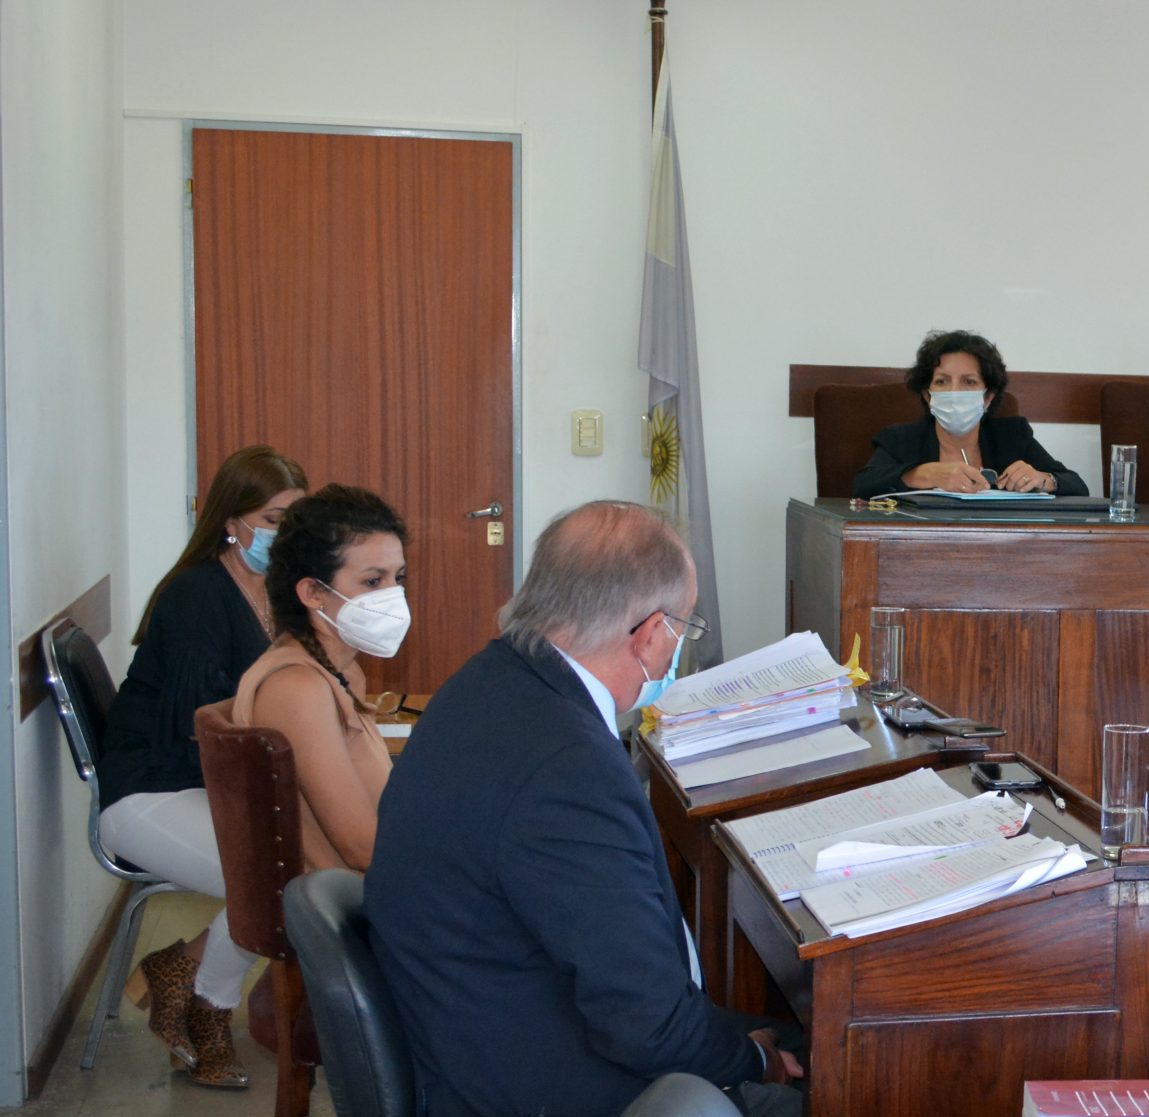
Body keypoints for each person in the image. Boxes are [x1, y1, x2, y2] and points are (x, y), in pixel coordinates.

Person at [368, 501, 804, 1117]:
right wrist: (754, 1062)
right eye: (683, 629)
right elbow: (649, 1028)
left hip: (480, 1024)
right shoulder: (567, 769)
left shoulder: (485, 682)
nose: (676, 647)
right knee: (828, 1074)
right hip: (532, 1080)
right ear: (650, 634)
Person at [95, 445, 304, 1089]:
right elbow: (201, 727)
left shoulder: (275, 591)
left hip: (206, 785)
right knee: (279, 883)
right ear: (231, 522)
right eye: (273, 520)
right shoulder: (196, 595)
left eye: (295, 520)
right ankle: (207, 1005)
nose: (285, 535)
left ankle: (180, 972)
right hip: (148, 792)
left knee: (298, 870)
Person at [190, 485, 408, 1084]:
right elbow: (360, 847)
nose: (392, 596)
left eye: (398, 578)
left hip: (364, 893)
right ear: (312, 593)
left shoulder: (335, 670)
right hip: (350, 911)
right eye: (372, 581)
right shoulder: (298, 688)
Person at [850, 329, 1087, 498]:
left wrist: (1044, 480)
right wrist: (928, 474)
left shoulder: (1012, 436)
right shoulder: (900, 439)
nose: (954, 392)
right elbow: (863, 484)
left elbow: (1077, 485)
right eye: (942, 381)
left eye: (969, 382)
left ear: (988, 397)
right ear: (927, 395)